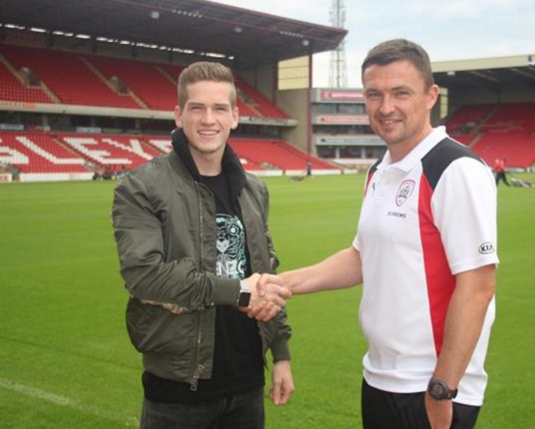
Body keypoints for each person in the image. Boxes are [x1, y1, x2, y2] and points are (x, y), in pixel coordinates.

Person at [268, 39, 498, 429]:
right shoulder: (380, 170)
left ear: (430, 96)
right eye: (374, 94)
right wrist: (283, 282)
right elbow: (363, 256)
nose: (385, 107)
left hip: (429, 388)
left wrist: (443, 389)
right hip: (379, 376)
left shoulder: (453, 169)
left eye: (400, 93)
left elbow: (477, 285)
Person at [112, 61, 294, 429]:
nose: (208, 119)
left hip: (246, 383)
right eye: (197, 108)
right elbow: (144, 276)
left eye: (219, 108)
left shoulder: (254, 190)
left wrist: (281, 353)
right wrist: (239, 292)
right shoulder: (141, 187)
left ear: (235, 116)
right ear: (179, 115)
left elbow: (265, 272)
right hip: (178, 390)